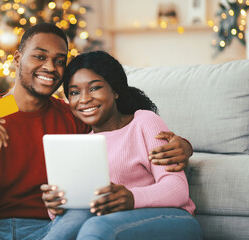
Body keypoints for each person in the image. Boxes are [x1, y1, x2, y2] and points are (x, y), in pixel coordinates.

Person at [0, 23, 193, 240]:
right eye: (39, 56)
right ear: (17, 59)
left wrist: (185, 147)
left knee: (81, 216)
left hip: (50, 230)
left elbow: (120, 132)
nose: (50, 67)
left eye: (59, 60)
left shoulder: (74, 116)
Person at [41, 51, 202, 240]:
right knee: (79, 217)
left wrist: (131, 198)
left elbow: (178, 190)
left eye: (94, 88)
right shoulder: (84, 144)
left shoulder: (144, 122)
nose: (83, 99)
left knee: (97, 228)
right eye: (74, 92)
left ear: (115, 90)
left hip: (173, 218)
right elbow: (75, 215)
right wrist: (57, 206)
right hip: (114, 221)